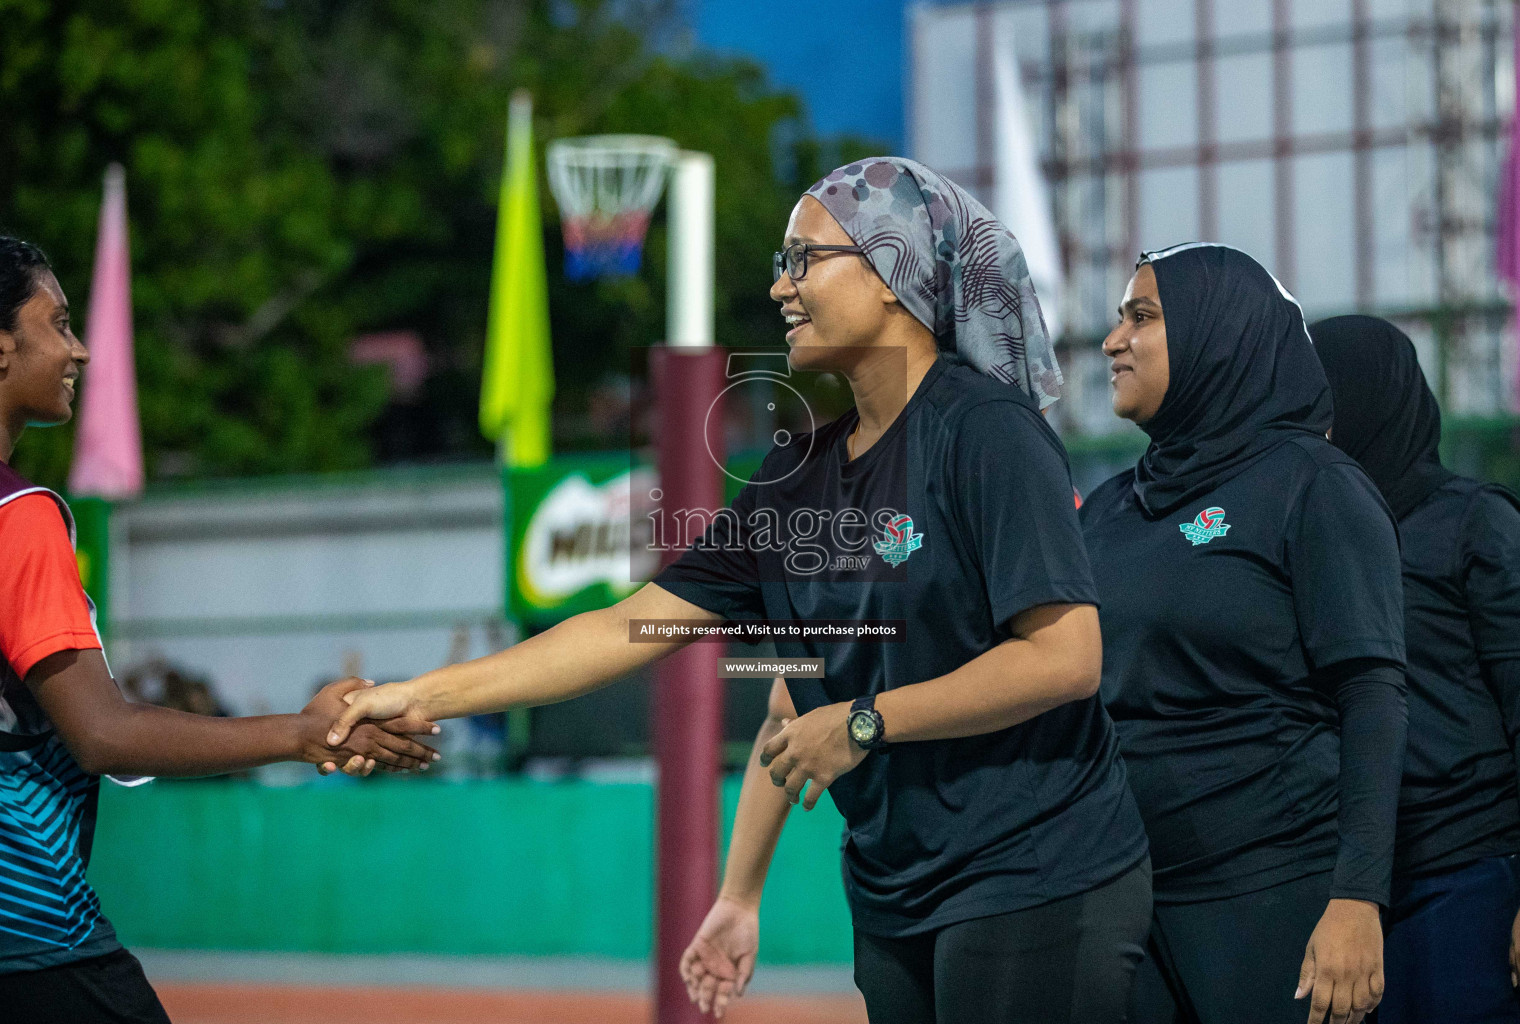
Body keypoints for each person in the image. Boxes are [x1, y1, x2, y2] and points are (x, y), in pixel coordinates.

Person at [332, 157, 1153, 1024]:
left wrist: (870, 722)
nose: (778, 287)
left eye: (804, 259)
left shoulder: (986, 431)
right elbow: (634, 633)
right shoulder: (793, 480)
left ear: (890, 274)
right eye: (779, 262)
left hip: (1037, 872)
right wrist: (421, 693)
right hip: (894, 891)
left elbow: (1066, 658)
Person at [0, 236, 441, 1024]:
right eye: (59, 323)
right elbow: (104, 734)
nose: (80, 349)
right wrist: (306, 735)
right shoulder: (19, 521)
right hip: (31, 934)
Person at [1078, 244, 1409, 1024]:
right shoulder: (1112, 508)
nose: (1112, 340)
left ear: (1215, 335)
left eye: (1142, 316)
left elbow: (1374, 700)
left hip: (1273, 893)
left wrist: (1358, 896)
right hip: (1126, 896)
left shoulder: (1312, 484)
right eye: (1119, 316)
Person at [1312, 314, 1520, 1024]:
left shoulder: (1473, 524)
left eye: (1320, 395)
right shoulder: (1314, 535)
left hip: (1471, 881)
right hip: (1350, 897)